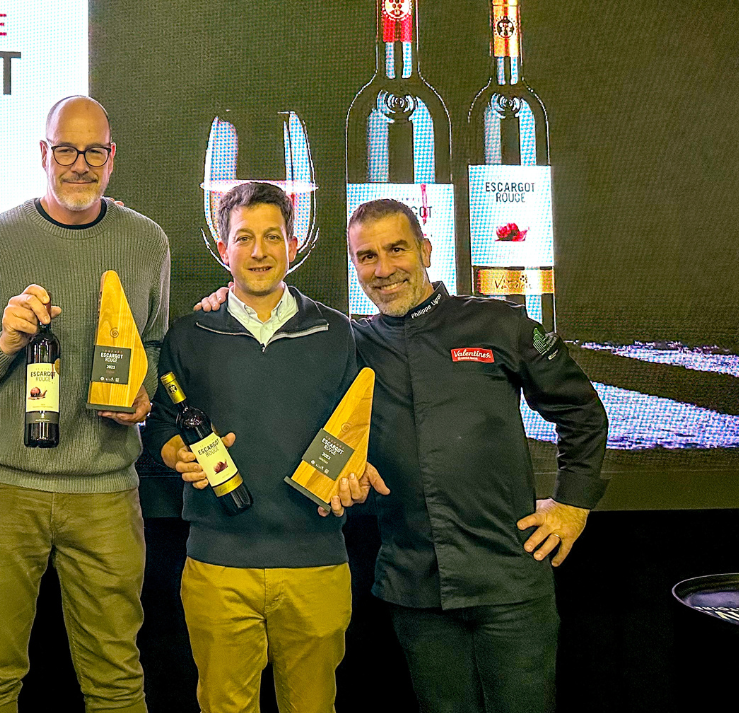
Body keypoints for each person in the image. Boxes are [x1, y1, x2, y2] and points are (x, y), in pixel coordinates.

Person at [198, 199, 609, 713]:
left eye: (397, 250)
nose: (384, 268)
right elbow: (276, 330)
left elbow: (582, 412)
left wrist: (572, 504)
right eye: (367, 256)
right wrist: (226, 296)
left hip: (510, 578)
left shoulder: (499, 324)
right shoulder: (348, 342)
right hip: (415, 586)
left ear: (426, 250)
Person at [0, 96, 170, 713]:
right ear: (43, 154)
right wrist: (7, 341)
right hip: (0, 491)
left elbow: (151, 344)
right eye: (65, 150)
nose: (79, 164)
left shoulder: (148, 243)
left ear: (111, 158)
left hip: (105, 490)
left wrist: (142, 395)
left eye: (93, 150)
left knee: (117, 680)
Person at [143, 182, 387, 713]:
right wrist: (174, 455)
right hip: (218, 566)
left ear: (293, 245)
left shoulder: (336, 332)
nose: (259, 251)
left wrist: (354, 473)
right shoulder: (190, 333)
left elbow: (357, 434)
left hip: (317, 564)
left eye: (272, 237)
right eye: (244, 238)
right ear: (223, 249)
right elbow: (161, 425)